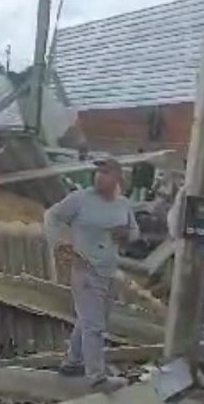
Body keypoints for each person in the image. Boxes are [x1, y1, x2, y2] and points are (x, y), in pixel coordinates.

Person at [44, 157, 140, 393]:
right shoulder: (80, 199)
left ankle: (72, 363)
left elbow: (135, 232)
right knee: (94, 325)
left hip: (108, 270)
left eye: (105, 172)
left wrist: (126, 234)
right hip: (85, 270)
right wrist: (60, 244)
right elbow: (52, 216)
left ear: (118, 177)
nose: (99, 176)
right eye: (97, 171)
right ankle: (96, 377)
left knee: (90, 321)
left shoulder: (122, 204)